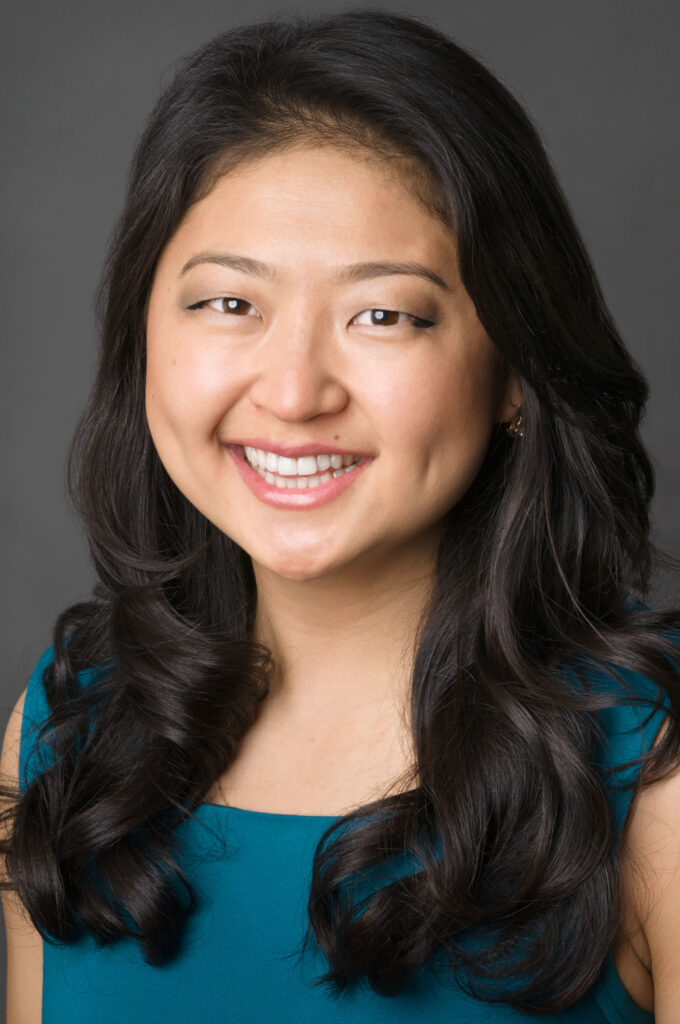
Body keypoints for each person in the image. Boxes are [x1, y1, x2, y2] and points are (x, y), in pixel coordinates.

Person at [2, 8, 679, 1022]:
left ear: (512, 372)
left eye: (384, 315)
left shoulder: (653, 776)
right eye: (229, 303)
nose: (293, 391)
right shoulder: (65, 734)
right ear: (143, 337)